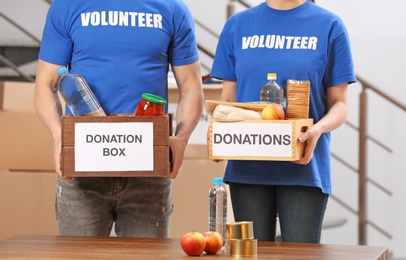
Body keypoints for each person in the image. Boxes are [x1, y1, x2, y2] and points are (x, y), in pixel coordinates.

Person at [34, 0, 204, 237]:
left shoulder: (172, 9)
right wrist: (58, 135)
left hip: (148, 168)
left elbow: (191, 87)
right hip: (83, 166)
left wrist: (181, 138)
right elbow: (45, 84)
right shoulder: (68, 6)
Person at [209, 0, 356, 243]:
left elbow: (340, 104)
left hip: (304, 167)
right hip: (248, 168)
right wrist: (217, 132)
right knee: (251, 256)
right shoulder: (237, 25)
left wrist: (317, 129)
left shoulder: (329, 25)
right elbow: (228, 101)